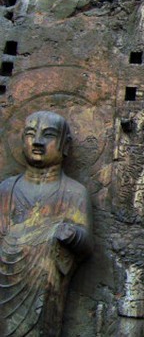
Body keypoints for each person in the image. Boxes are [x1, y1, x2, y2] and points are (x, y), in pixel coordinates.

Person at [0, 111, 92, 337]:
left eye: (48, 135)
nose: (38, 142)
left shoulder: (73, 192)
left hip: (46, 285)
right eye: (31, 134)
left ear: (65, 145)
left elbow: (86, 245)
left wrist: (70, 234)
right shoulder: (7, 188)